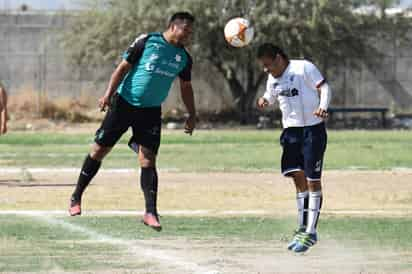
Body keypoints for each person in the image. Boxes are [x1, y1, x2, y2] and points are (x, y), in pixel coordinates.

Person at [68, 12, 197, 231]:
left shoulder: (184, 58)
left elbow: (186, 87)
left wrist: (192, 114)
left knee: (148, 161)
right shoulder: (147, 41)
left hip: (150, 112)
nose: (189, 35)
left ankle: (150, 212)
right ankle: (76, 197)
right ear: (173, 26)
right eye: (186, 30)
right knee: (99, 150)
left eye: (191, 32)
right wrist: (107, 95)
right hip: (123, 104)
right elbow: (122, 68)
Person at [256, 43, 331, 253]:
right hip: (291, 132)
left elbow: (324, 87)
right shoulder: (273, 78)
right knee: (296, 175)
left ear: (279, 58)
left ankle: (311, 232)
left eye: (268, 65)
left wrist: (322, 107)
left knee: (312, 179)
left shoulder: (303, 68)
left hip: (312, 130)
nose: (266, 70)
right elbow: (271, 95)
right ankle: (301, 226)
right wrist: (264, 100)